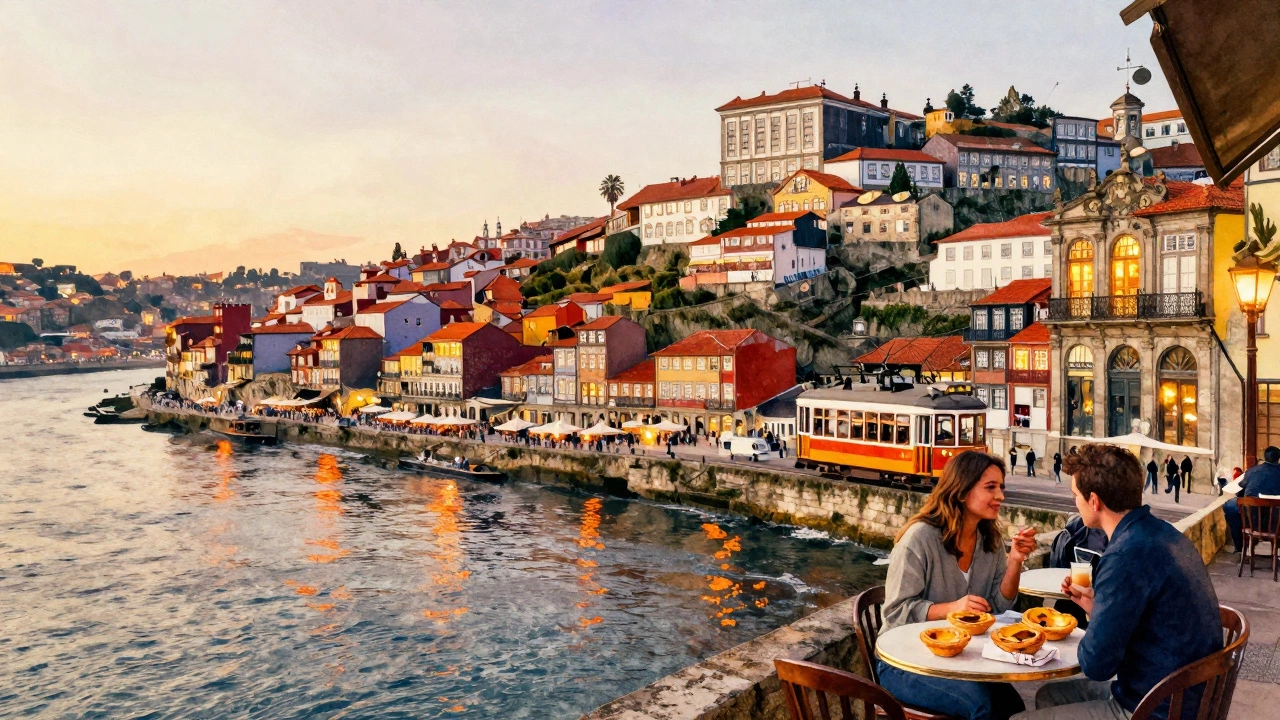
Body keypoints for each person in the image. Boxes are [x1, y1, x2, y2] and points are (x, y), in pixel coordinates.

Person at [1012, 444, 1221, 720]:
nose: (1075, 503)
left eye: (1076, 496)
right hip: (1186, 694)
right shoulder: (1163, 534)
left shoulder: (1123, 555)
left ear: (1094, 501)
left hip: (1153, 707)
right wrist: (1099, 606)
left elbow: (1097, 666)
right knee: (1049, 696)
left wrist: (1098, 619)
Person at [880, 451, 1038, 720]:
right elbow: (896, 612)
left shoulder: (989, 539)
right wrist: (953, 609)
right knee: (983, 707)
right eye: (990, 487)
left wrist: (1015, 560)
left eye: (1001, 487)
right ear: (962, 491)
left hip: (959, 658)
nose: (1000, 496)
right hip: (904, 663)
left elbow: (998, 606)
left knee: (1013, 707)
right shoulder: (919, 539)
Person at [1224, 445, 1280, 551]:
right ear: (1278, 459)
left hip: (1253, 521)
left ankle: (1240, 546)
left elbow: (1240, 491)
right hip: (1275, 524)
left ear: (1264, 457)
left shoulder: (1252, 471)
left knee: (1229, 507)